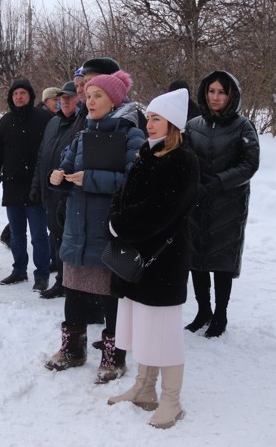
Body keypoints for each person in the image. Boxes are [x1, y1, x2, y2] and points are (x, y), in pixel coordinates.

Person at [106, 88, 199, 430]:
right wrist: (115, 220)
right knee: (144, 328)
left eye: (157, 118)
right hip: (138, 256)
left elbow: (163, 210)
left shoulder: (183, 160)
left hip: (163, 260)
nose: (150, 124)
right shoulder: (148, 153)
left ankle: (171, 401)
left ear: (173, 123)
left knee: (164, 333)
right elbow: (123, 195)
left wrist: (121, 225)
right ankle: (145, 388)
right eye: (149, 118)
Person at [45, 70, 146, 383]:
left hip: (107, 230)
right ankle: (73, 349)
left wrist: (91, 180)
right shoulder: (82, 132)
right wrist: (59, 176)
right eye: (87, 96)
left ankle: (114, 357)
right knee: (73, 290)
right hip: (77, 227)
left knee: (109, 296)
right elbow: (67, 162)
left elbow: (134, 181)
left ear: (114, 100)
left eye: (97, 95)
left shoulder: (131, 135)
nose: (89, 101)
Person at [184, 70, 260, 338]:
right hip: (197, 202)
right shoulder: (193, 125)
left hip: (228, 203)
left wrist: (219, 181)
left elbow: (250, 164)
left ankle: (221, 314)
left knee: (221, 260)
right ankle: (203, 310)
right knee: (197, 259)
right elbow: (184, 157)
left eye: (221, 92)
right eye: (211, 91)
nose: (215, 97)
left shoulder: (243, 126)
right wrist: (194, 181)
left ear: (231, 96)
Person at [0, 79, 53, 290]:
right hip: (12, 185)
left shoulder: (45, 118)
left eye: (23, 93)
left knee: (39, 235)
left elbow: (53, 150)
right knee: (16, 234)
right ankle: (19, 270)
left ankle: (42, 274)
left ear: (30, 96)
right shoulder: (5, 122)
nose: (18, 97)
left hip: (36, 187)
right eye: (15, 94)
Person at [31, 80, 81, 299]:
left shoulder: (82, 123)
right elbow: (42, 157)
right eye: (62, 98)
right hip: (50, 193)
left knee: (69, 242)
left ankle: (73, 285)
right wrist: (36, 185)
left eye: (70, 97)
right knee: (57, 239)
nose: (65, 101)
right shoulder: (53, 123)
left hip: (68, 194)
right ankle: (62, 281)